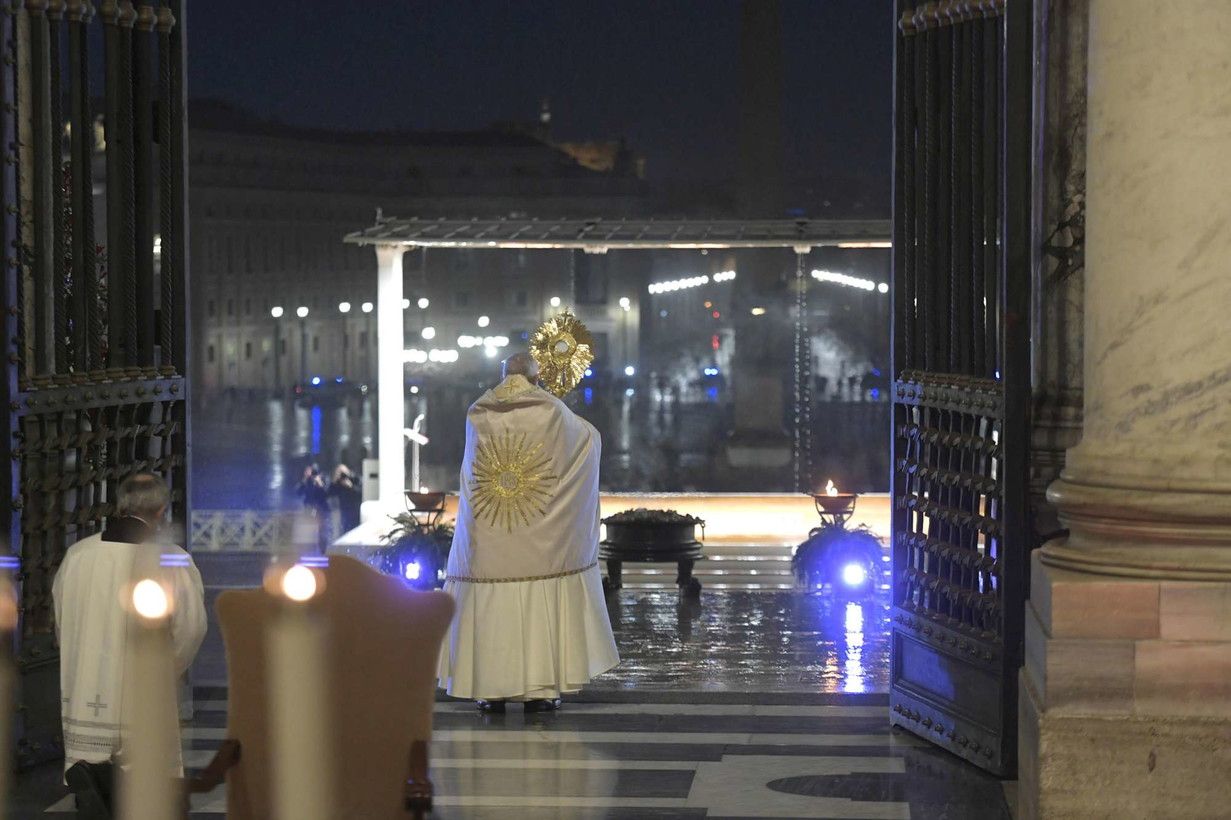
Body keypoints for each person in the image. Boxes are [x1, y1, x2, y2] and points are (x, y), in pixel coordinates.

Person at [437, 352, 619, 713]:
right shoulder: (551, 410)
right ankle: (540, 690)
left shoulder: (478, 412)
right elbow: (588, 440)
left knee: (490, 610)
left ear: (503, 375)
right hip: (540, 536)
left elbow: (472, 470)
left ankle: (489, 691)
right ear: (536, 378)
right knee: (538, 603)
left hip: (487, 535)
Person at [53, 472, 207, 818]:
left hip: (89, 690)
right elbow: (191, 629)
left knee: (92, 782)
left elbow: (63, 619)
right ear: (162, 509)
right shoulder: (171, 560)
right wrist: (168, 667)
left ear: (120, 505)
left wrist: (80, 661)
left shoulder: (78, 556)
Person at [328, 463, 362, 533]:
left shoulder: (354, 478)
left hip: (355, 510)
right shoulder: (338, 482)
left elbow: (360, 493)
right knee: (344, 531)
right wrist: (335, 480)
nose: (343, 475)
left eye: (344, 472)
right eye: (341, 472)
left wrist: (351, 487)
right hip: (344, 511)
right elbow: (329, 493)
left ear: (347, 470)